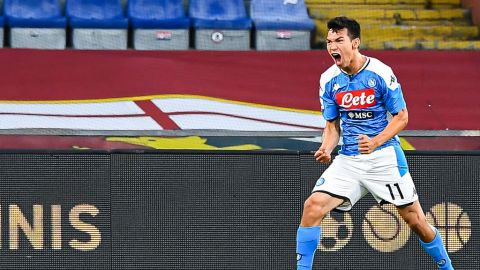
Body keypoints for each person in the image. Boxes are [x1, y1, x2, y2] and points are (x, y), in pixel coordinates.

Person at [296, 16, 454, 270]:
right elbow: (332, 126)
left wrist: (376, 141)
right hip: (348, 159)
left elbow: (402, 117)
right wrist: (326, 147)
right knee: (312, 207)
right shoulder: (328, 79)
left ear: (355, 43)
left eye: (339, 40)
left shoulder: (380, 72)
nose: (332, 46)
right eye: (328, 42)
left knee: (417, 222)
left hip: (384, 158)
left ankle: (447, 268)